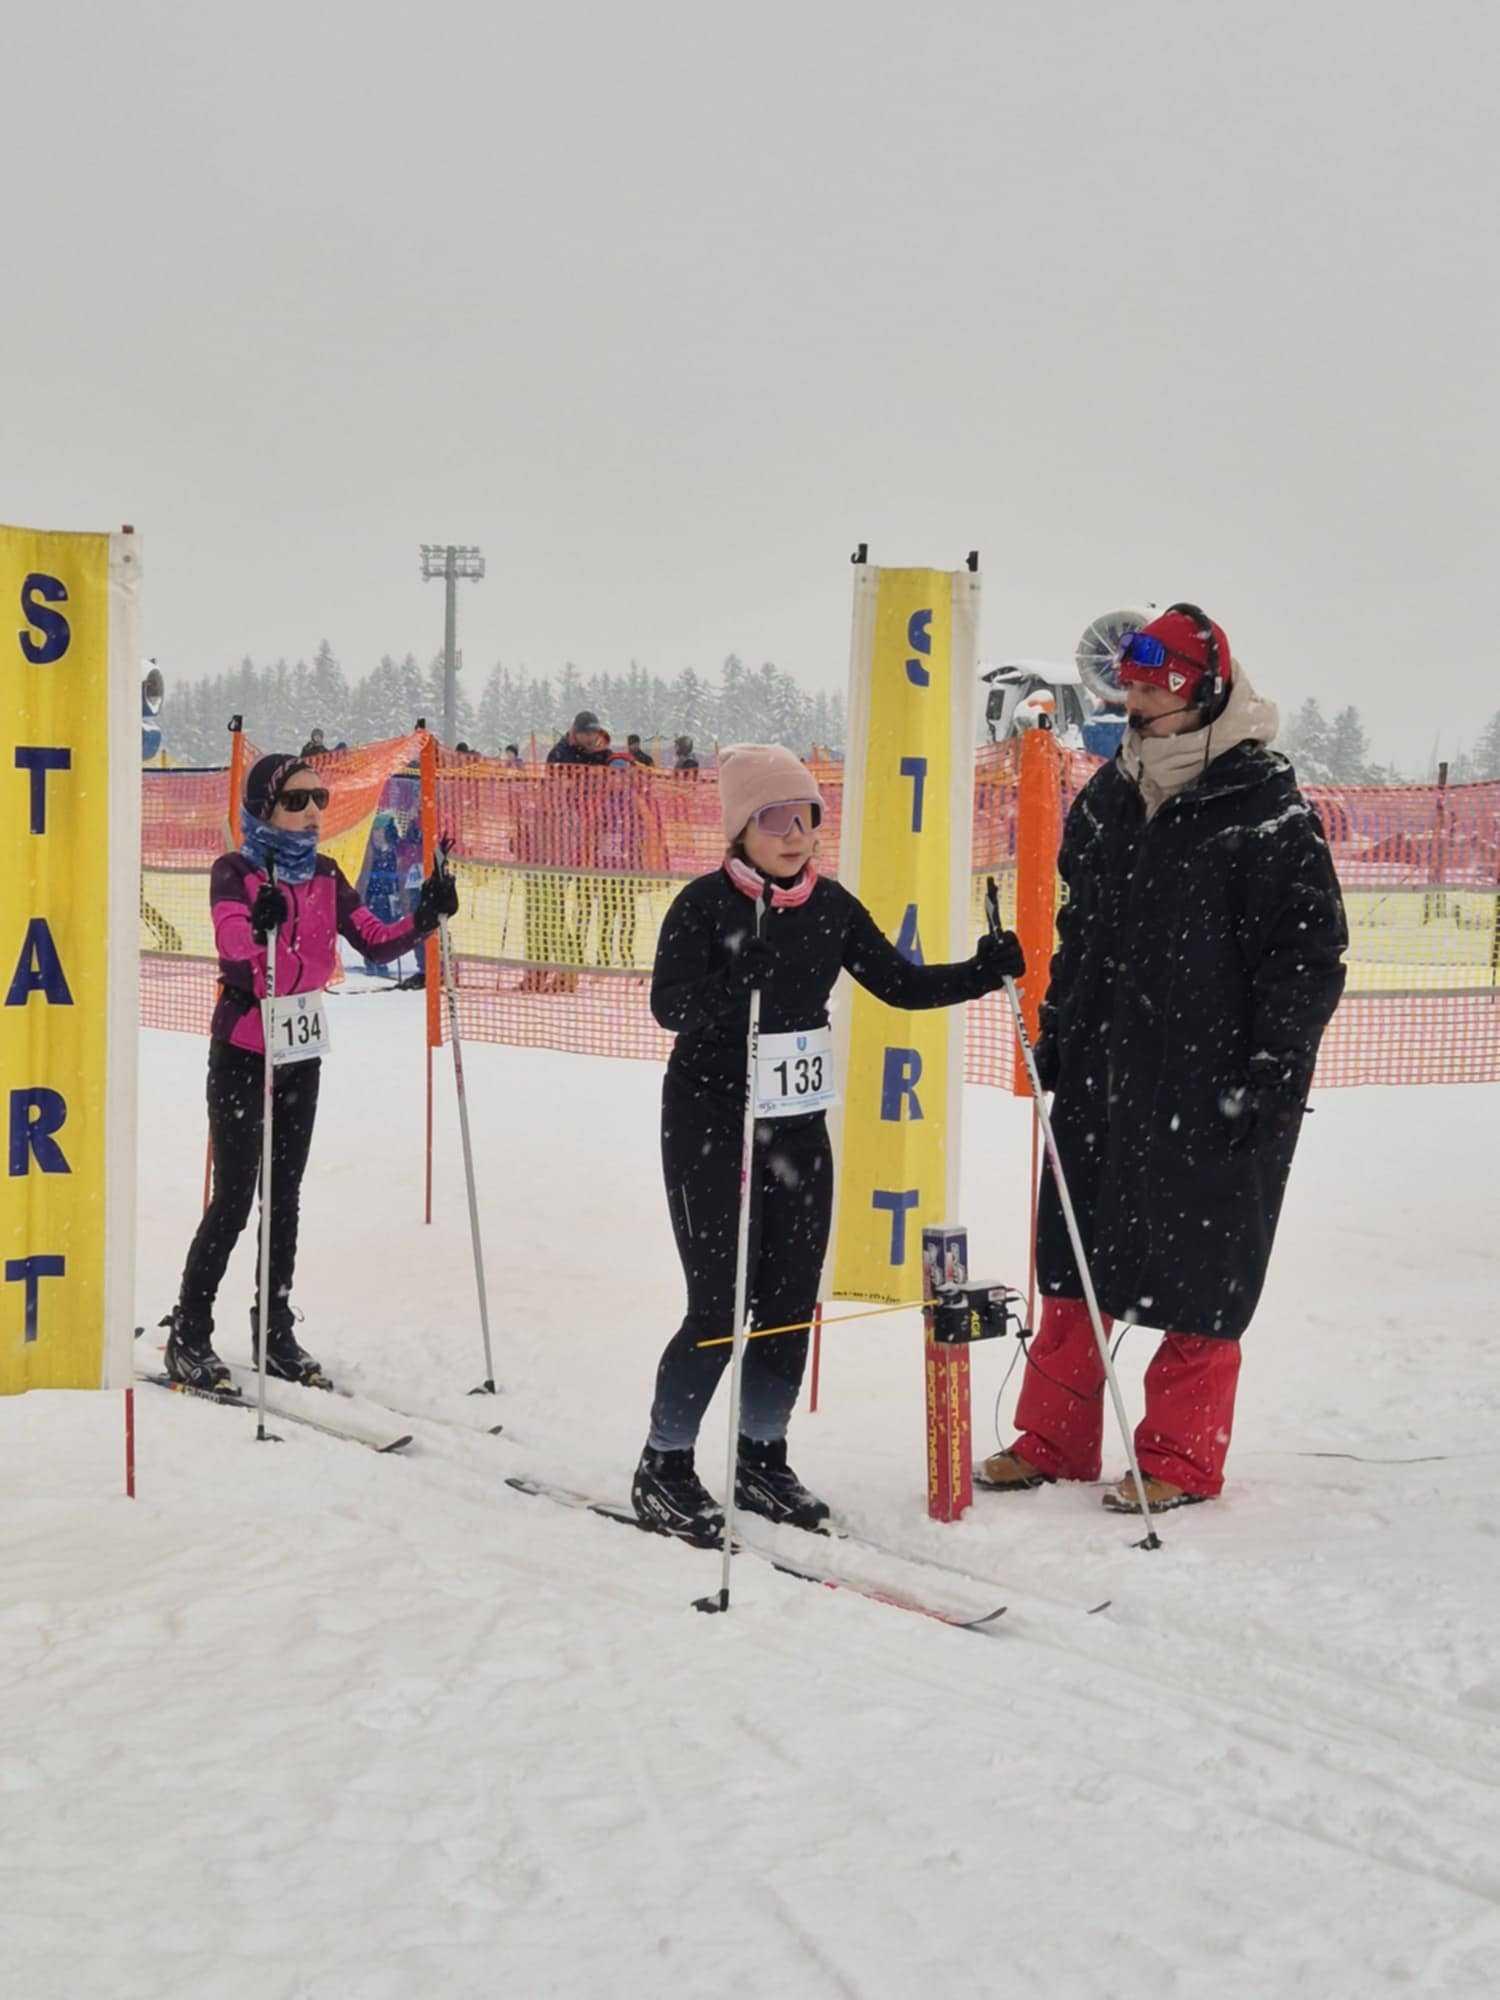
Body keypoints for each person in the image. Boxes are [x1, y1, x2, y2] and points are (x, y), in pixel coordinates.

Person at [977, 605, 1347, 1513]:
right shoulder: (1110, 797)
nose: (1135, 707)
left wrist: (1274, 1069)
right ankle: (1053, 1439)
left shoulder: (1265, 810)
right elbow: (1083, 932)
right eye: (1131, 690)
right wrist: (1063, 1025)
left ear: (1205, 695)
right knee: (1075, 1255)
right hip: (1106, 1072)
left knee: (1202, 1274)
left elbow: (1306, 957)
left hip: (1217, 1082)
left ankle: (1179, 1457)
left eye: (1155, 692)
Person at [632, 743, 1025, 1544]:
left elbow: (901, 985)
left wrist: (982, 972)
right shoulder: (704, 906)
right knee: (719, 1305)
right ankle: (664, 1467)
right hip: (713, 1122)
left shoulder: (831, 906)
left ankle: (761, 1458)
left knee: (787, 1303)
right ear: (740, 829)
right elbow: (668, 1008)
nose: (795, 834)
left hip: (797, 1125)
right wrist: (731, 984)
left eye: (807, 817)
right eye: (774, 819)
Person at [161, 754, 459, 1392]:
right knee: (235, 1196)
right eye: (296, 801)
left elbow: (372, 937)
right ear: (265, 809)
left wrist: (425, 916)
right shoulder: (235, 870)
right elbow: (231, 942)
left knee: (285, 1196)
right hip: (244, 1048)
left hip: (298, 1048)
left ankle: (274, 1329)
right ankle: (189, 1329)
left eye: (318, 798)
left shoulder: (325, 873)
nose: (313, 812)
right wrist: (258, 924)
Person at [546, 710, 611, 767]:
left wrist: (615, 760)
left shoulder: (604, 753)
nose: (591, 737)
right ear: (576, 733)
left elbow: (612, 759)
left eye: (594, 733)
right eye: (587, 733)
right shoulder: (560, 753)